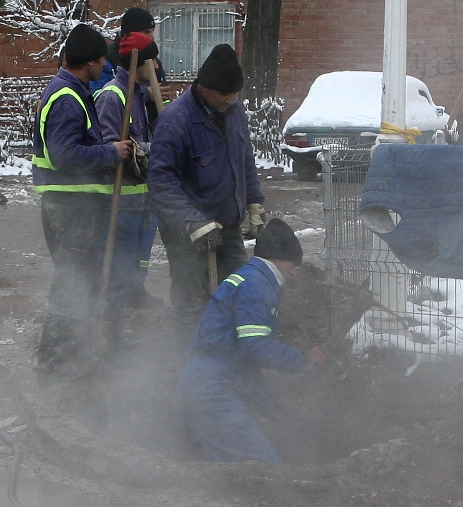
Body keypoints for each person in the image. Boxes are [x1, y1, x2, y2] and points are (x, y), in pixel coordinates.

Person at [178, 218, 326, 463]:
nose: (294, 271)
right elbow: (254, 347)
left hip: (202, 384)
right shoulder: (257, 286)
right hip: (212, 392)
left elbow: (242, 365)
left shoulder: (249, 278)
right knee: (265, 468)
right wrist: (303, 360)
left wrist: (269, 406)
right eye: (293, 263)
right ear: (277, 259)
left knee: (216, 479)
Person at [30, 23, 132, 372]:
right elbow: (65, 156)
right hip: (74, 207)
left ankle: (66, 356)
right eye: (100, 58)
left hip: (70, 205)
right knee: (71, 286)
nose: (105, 64)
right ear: (86, 62)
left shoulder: (68, 91)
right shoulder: (67, 98)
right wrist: (110, 153)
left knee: (75, 283)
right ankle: (56, 362)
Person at [148, 43, 268, 327]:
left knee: (239, 295)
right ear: (203, 86)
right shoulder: (175, 122)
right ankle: (186, 360)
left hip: (227, 228)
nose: (231, 99)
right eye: (224, 93)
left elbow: (245, 161)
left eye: (235, 92)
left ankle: (231, 361)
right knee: (191, 304)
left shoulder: (234, 112)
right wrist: (193, 222)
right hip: (186, 235)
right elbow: (161, 182)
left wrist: (253, 201)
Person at [92, 29, 161, 330]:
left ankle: (128, 329)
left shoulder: (142, 96)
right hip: (120, 206)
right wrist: (147, 151)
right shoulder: (112, 96)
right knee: (117, 275)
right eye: (153, 60)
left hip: (142, 204)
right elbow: (108, 147)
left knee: (136, 270)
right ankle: (109, 333)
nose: (158, 67)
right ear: (138, 63)